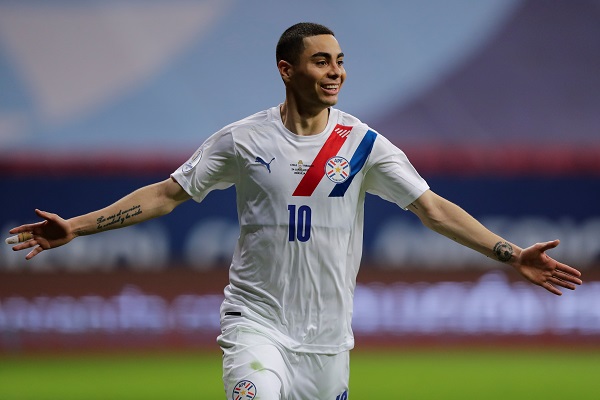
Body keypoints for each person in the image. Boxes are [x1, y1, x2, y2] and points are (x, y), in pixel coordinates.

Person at [7, 22, 582, 400]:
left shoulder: (364, 145)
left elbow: (432, 210)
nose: (337, 72)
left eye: (340, 61)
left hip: (329, 343)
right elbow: (166, 193)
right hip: (256, 327)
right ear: (287, 70)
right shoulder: (241, 140)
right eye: (321, 61)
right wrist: (77, 227)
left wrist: (509, 254)